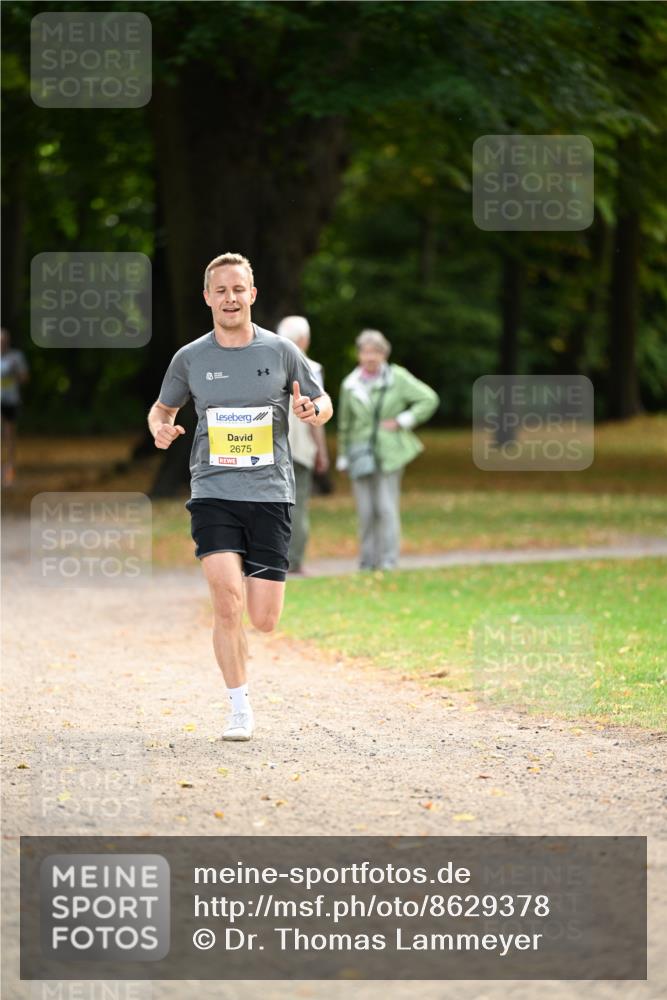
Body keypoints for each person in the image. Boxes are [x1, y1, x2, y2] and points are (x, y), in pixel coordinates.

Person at [148, 253, 333, 741]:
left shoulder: (282, 351)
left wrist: (313, 410)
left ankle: (245, 675)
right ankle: (238, 707)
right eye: (221, 291)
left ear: (252, 295)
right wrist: (161, 429)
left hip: (271, 494)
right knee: (227, 602)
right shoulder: (190, 357)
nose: (230, 298)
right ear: (207, 297)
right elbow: (162, 409)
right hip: (213, 492)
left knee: (264, 618)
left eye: (238, 290)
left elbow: (323, 400)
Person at [336, 329, 439, 571]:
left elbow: (429, 399)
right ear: (359, 354)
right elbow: (344, 424)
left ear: (384, 354)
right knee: (365, 510)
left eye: (376, 352)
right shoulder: (350, 385)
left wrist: (403, 420)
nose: (370, 357)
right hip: (359, 452)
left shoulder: (397, 378)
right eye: (365, 352)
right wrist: (342, 455)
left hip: (390, 453)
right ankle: (367, 561)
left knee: (385, 507)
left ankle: (388, 561)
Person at [276, 315, 329, 574]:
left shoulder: (267, 362)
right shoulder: (312, 368)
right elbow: (316, 415)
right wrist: (321, 450)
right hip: (300, 446)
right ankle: (293, 560)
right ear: (304, 340)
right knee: (297, 504)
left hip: (269, 445)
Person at [1, 328, 29, 488]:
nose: (2, 344)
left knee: (9, 433)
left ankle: (10, 466)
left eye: (4, 341)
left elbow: (25, 378)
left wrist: (14, 373)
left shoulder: (16, 357)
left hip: (11, 400)